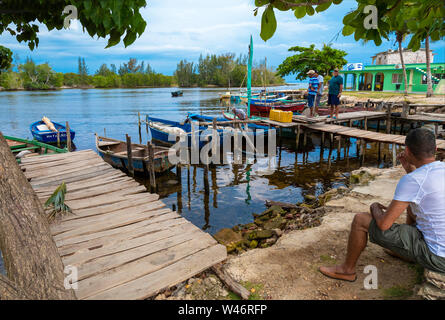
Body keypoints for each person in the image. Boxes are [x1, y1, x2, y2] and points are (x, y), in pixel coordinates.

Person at [319, 128, 445, 281]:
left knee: (360, 220)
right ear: (435, 149)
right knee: (413, 206)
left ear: (407, 151)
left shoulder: (413, 180)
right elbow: (422, 187)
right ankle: (407, 252)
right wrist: (410, 170)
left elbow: (384, 224)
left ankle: (347, 270)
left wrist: (374, 207)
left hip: (438, 257)